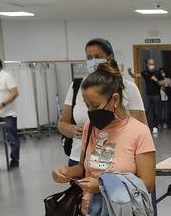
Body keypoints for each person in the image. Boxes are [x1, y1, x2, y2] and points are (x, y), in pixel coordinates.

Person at [50, 69, 156, 216]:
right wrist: (66, 171)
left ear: (115, 99)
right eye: (87, 106)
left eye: (96, 105)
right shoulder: (90, 127)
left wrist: (102, 186)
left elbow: (147, 183)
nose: (91, 112)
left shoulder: (139, 132)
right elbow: (84, 168)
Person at [59, 38, 146, 166]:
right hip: (80, 157)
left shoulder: (127, 87)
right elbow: (63, 123)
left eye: (97, 56)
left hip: (118, 157)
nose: (91, 111)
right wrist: (72, 130)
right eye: (89, 57)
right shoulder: (78, 86)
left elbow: (140, 129)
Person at [142, 57, 164, 133]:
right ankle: (144, 126)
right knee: (146, 110)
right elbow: (136, 75)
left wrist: (156, 80)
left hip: (156, 95)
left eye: (153, 64)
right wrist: (130, 73)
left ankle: (155, 126)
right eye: (150, 64)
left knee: (157, 112)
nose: (152, 65)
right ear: (147, 65)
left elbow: (163, 83)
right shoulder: (145, 73)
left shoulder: (158, 73)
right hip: (148, 96)